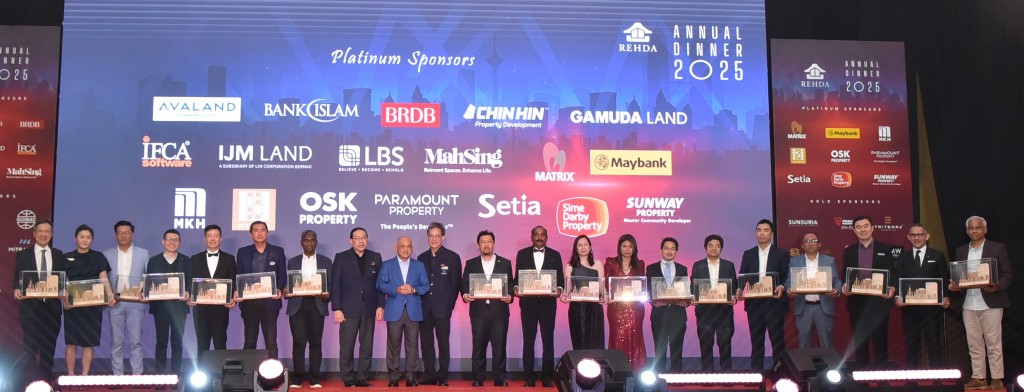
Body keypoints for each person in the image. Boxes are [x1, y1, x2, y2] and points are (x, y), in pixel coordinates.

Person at [952, 216, 1013, 390]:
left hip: (991, 302)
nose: (974, 231)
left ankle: (996, 378)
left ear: (985, 229)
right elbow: (960, 277)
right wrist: (955, 286)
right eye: (971, 228)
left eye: (978, 228)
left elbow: (1007, 275)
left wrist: (997, 286)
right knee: (974, 343)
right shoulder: (961, 251)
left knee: (993, 343)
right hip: (968, 303)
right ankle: (979, 378)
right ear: (966, 231)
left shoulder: (997, 248)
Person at [12, 220, 66, 380]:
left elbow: (62, 280)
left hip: (52, 309)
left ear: (52, 234)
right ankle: (28, 381)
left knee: (48, 348)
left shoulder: (58, 254)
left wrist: (64, 290)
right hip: (31, 309)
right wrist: (16, 288)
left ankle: (46, 381)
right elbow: (17, 278)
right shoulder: (23, 254)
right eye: (40, 231)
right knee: (29, 349)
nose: (44, 234)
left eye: (47, 231)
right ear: (34, 234)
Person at [331, 227, 384, 387]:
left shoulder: (376, 257)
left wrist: (380, 305)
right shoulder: (341, 257)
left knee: (366, 344)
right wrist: (337, 308)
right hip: (347, 308)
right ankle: (347, 377)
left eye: (363, 237)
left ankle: (362, 377)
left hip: (369, 307)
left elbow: (379, 284)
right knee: (347, 345)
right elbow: (336, 284)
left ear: (367, 239)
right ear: (351, 240)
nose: (361, 241)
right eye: (357, 238)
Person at [460, 230, 514, 387]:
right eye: (482, 242)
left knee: (500, 346)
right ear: (478, 245)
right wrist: (465, 295)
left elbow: (510, 283)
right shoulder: (471, 263)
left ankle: (499, 378)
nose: (486, 244)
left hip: (500, 311)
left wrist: (510, 296)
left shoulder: (505, 263)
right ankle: (478, 378)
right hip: (478, 311)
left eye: (489, 241)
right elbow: (464, 284)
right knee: (478, 347)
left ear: (494, 244)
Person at [841, 216, 896, 368]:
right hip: (857, 303)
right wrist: (845, 285)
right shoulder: (849, 251)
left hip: (879, 302)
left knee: (880, 341)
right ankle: (861, 380)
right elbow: (845, 274)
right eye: (858, 227)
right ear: (854, 230)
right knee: (860, 342)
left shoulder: (885, 249)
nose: (862, 229)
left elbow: (891, 273)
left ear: (872, 228)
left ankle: (882, 379)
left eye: (866, 226)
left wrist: (891, 287)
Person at [513, 226, 564, 387]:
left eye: (542, 235)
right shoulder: (522, 254)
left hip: (548, 305)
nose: (539, 237)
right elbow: (517, 279)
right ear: (531, 237)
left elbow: (560, 281)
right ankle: (529, 377)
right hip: (528, 304)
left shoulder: (555, 255)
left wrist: (559, 290)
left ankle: (547, 377)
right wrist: (515, 289)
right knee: (528, 341)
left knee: (548, 341)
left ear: (547, 237)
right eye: (536, 234)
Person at [377, 236, 430, 387]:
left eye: (409, 246)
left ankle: (411, 377)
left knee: (412, 345)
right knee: (393, 345)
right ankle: (393, 377)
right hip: (394, 310)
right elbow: (380, 284)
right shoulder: (387, 265)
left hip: (413, 310)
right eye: (403, 246)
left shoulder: (419, 265)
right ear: (396, 247)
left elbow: (425, 285)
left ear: (412, 248)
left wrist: (414, 289)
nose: (406, 249)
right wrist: (396, 289)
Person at [894, 224, 949, 368]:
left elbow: (944, 279)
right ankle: (913, 380)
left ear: (927, 236)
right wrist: (897, 298)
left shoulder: (937, 255)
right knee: (911, 345)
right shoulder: (903, 257)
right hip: (909, 309)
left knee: (934, 344)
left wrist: (946, 297)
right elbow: (898, 279)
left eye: (920, 235)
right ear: (908, 237)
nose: (917, 238)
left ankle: (938, 379)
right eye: (913, 235)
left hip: (932, 309)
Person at [63, 224, 114, 375]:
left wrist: (110, 295)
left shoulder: (98, 257)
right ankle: (70, 374)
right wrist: (65, 298)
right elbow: (63, 281)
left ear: (92, 240)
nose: (85, 240)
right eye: (82, 237)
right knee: (71, 341)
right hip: (72, 306)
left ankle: (85, 375)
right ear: (75, 239)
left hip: (92, 305)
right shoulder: (66, 257)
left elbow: (103, 278)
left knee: (88, 342)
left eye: (88, 237)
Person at [738, 219, 789, 370]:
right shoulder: (748, 254)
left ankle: (779, 373)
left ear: (771, 233)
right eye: (759, 230)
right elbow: (742, 275)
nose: (762, 233)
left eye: (766, 230)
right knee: (757, 341)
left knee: (777, 341)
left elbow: (787, 277)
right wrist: (739, 289)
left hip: (774, 304)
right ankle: (757, 374)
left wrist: (781, 286)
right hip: (754, 305)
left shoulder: (781, 254)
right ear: (755, 233)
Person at [416, 222, 462, 386]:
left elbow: (456, 284)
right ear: (427, 237)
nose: (434, 239)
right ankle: (429, 375)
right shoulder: (421, 258)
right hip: (424, 308)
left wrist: (449, 305)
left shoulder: (452, 257)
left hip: (443, 308)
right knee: (426, 343)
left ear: (443, 237)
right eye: (431, 236)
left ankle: (442, 376)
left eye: (437, 236)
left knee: (443, 343)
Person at [284, 230, 332, 388]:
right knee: (298, 343)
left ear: (316, 242)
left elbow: (330, 286)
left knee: (316, 343)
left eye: (312, 240)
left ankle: (315, 378)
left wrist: (327, 295)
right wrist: (286, 291)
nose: (309, 243)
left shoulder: (326, 261)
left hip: (317, 304)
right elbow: (288, 285)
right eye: (306, 240)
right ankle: (297, 377)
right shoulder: (293, 262)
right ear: (301, 242)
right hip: (298, 305)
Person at [103, 220, 149, 375]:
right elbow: (104, 279)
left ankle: (137, 375)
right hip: (115, 303)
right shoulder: (106, 254)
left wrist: (142, 292)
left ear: (133, 234)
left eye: (126, 232)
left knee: (136, 341)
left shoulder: (143, 253)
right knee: (117, 342)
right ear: (116, 234)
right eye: (120, 232)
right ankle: (118, 376)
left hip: (136, 303)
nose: (123, 235)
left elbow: (147, 277)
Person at [235, 221, 287, 358]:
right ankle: (248, 376)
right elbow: (238, 275)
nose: (259, 233)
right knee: (250, 341)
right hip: (249, 303)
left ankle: (274, 377)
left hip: (270, 303)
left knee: (271, 342)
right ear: (251, 234)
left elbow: (282, 275)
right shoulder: (243, 252)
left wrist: (279, 289)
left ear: (267, 233)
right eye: (256, 230)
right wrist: (237, 290)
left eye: (262, 230)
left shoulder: (278, 251)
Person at [146, 229, 192, 374]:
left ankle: (176, 373)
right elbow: (149, 283)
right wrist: (145, 293)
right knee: (161, 341)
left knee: (177, 343)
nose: (172, 242)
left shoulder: (186, 260)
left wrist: (188, 292)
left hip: (179, 307)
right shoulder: (154, 260)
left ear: (180, 243)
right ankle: (160, 374)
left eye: (175, 240)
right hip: (160, 308)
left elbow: (190, 282)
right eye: (169, 239)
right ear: (163, 241)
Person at [189, 224, 236, 363]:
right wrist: (191, 295)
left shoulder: (229, 258)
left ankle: (220, 377)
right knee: (202, 345)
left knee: (220, 343)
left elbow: (233, 280)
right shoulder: (195, 258)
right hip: (201, 309)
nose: (212, 239)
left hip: (221, 309)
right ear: (204, 239)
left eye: (216, 236)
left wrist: (233, 297)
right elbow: (192, 282)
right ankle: (201, 378)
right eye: (209, 236)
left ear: (221, 239)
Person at [786, 233, 841, 349]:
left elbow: (836, 280)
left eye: (813, 240)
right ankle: (806, 368)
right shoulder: (795, 261)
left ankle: (828, 368)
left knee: (826, 344)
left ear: (819, 244)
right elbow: (789, 281)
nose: (810, 243)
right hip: (804, 307)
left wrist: (837, 290)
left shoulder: (829, 261)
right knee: (804, 343)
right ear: (802, 245)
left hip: (823, 307)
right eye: (807, 241)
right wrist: (789, 289)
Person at [692, 234, 737, 371]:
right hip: (704, 312)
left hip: (724, 312)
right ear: (705, 247)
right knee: (705, 346)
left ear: (721, 248)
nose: (714, 248)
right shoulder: (698, 265)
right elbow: (693, 285)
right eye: (710, 245)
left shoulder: (729, 265)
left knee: (725, 345)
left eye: (717, 246)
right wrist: (693, 296)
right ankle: (707, 376)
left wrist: (734, 295)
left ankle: (727, 376)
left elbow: (733, 285)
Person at [604, 234, 647, 372]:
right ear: (619, 247)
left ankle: (636, 373)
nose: (627, 249)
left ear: (634, 248)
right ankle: (617, 372)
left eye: (630, 246)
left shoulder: (640, 264)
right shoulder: (611, 263)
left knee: (635, 338)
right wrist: (608, 295)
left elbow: (642, 286)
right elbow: (606, 285)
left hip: (636, 309)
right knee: (617, 338)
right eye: (624, 246)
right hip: (616, 309)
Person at [646, 237, 688, 373]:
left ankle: (677, 379)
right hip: (659, 315)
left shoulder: (683, 268)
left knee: (677, 349)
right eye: (666, 248)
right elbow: (648, 290)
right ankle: (659, 379)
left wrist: (686, 302)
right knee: (659, 350)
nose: (669, 251)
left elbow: (685, 290)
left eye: (672, 249)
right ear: (661, 250)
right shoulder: (651, 268)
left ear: (676, 251)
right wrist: (653, 301)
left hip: (678, 315)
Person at [561, 235, 604, 350]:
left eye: (586, 245)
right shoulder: (569, 266)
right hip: (577, 309)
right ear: (575, 248)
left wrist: (606, 296)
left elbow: (601, 286)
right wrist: (564, 295)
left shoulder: (598, 264)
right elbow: (568, 287)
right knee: (579, 342)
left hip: (594, 308)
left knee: (595, 342)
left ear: (590, 247)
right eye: (579, 245)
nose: (583, 247)